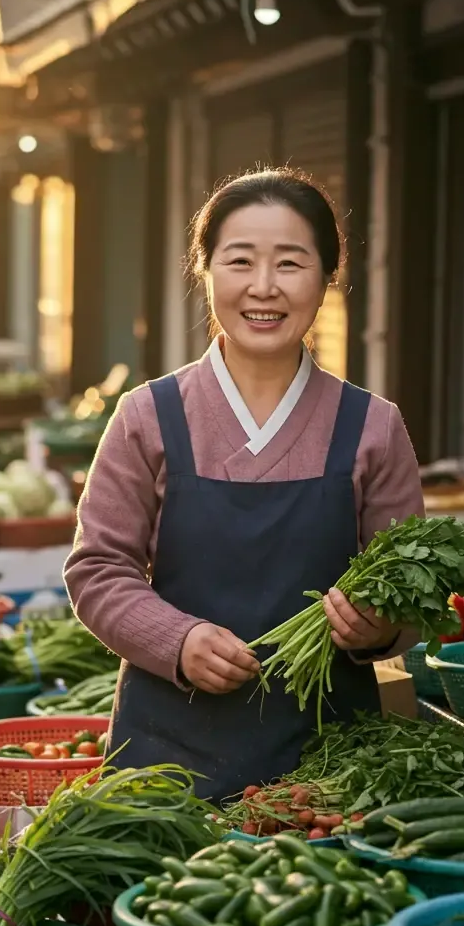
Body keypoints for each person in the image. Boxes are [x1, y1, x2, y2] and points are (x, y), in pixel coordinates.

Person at [64, 168, 424, 804]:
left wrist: (381, 628)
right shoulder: (148, 416)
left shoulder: (373, 426)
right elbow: (98, 569)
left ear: (327, 277)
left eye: (291, 263)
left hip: (334, 772)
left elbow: (412, 592)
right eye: (239, 261)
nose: (264, 287)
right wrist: (176, 641)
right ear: (205, 271)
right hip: (166, 762)